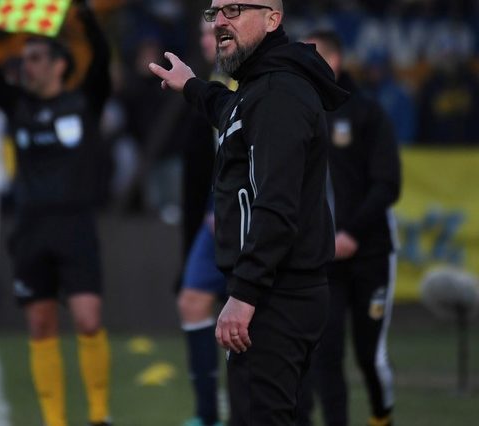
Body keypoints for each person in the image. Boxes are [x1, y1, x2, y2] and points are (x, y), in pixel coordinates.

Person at [149, 1, 349, 424]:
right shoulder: (260, 89)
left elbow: (276, 206)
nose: (220, 21)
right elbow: (229, 112)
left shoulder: (278, 94)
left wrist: (243, 295)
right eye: (215, 12)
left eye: (235, 10)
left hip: (277, 295)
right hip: (276, 291)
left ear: (273, 19)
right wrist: (191, 86)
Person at [0, 1, 112, 426]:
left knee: (88, 320)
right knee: (40, 324)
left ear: (59, 65)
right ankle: (55, 421)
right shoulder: (17, 106)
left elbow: (102, 59)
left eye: (34, 58)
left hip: (75, 225)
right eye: (23, 59)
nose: (25, 67)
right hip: (30, 228)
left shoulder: (85, 101)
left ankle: (99, 416)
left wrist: (85, 18)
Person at [297, 30, 401, 426]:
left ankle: (381, 417)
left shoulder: (368, 114)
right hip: (325, 260)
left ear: (334, 61)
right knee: (325, 354)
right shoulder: (302, 113)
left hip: (370, 254)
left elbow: (387, 183)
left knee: (370, 356)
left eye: (312, 57)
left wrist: (352, 234)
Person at [177, 19, 235, 426]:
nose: (205, 39)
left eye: (212, 30)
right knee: (192, 302)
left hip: (244, 215)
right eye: (202, 32)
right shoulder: (212, 81)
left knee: (247, 319)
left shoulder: (245, 81)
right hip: (215, 215)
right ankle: (207, 413)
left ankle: (244, 410)